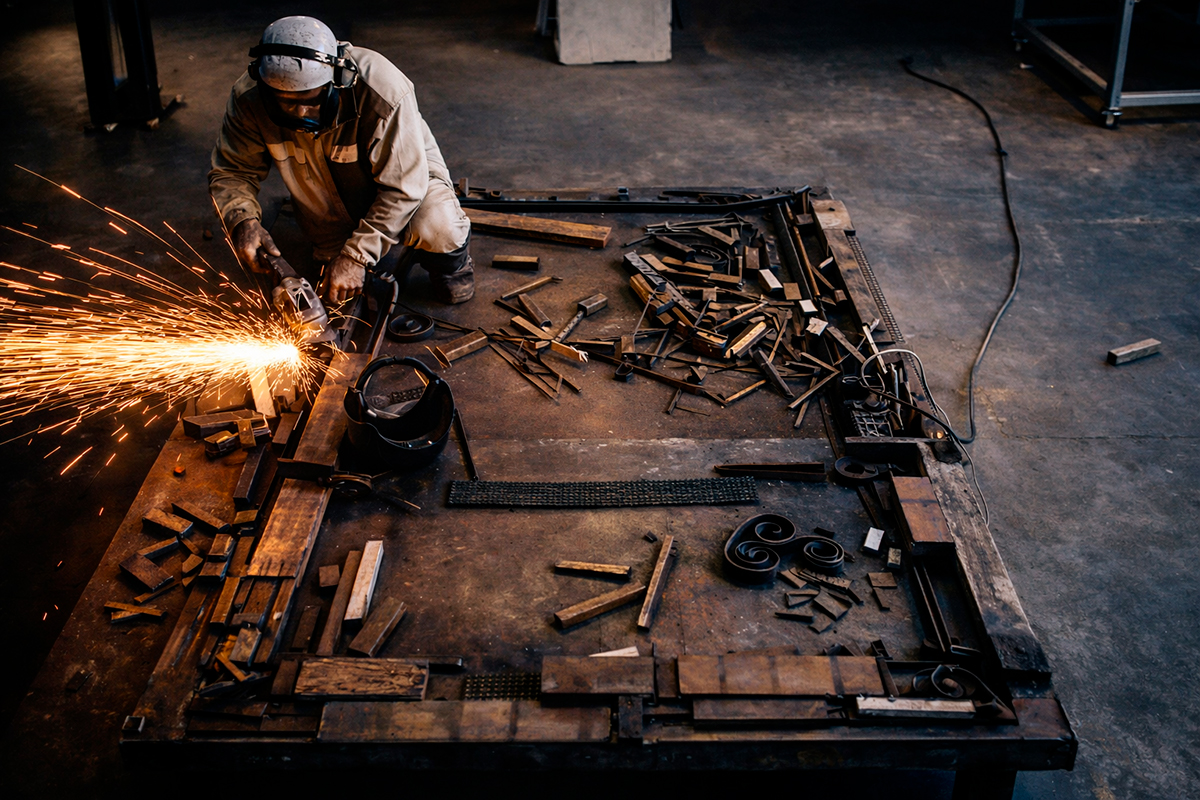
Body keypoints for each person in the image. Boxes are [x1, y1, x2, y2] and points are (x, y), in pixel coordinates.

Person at [209, 16, 474, 305]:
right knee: (333, 289)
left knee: (438, 227)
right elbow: (233, 171)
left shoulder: (381, 90)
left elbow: (403, 188)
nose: (300, 113)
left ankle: (453, 267)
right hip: (325, 199)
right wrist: (242, 220)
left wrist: (356, 257)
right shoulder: (249, 98)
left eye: (310, 100)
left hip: (407, 179)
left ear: (335, 81)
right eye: (286, 102)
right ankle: (354, 240)